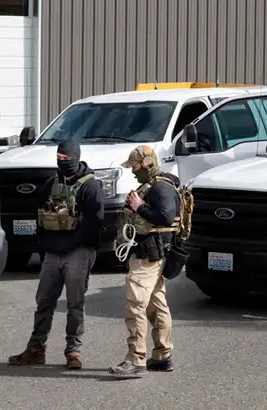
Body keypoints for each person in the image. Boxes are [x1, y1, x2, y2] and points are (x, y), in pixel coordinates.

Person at [8, 140, 104, 370]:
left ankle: (73, 351)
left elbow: (95, 224)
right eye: (59, 159)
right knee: (44, 302)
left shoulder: (90, 186)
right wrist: (44, 246)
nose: (62, 163)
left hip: (78, 253)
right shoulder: (51, 184)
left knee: (74, 304)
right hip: (52, 253)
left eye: (66, 159)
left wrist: (75, 244)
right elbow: (40, 216)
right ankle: (35, 349)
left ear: (76, 158)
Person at [108, 145, 181, 379]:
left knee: (136, 305)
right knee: (156, 306)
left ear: (147, 163)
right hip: (152, 255)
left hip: (148, 256)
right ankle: (162, 357)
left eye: (135, 166)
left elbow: (165, 217)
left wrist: (139, 206)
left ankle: (136, 359)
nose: (133, 171)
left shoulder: (161, 188)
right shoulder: (154, 186)